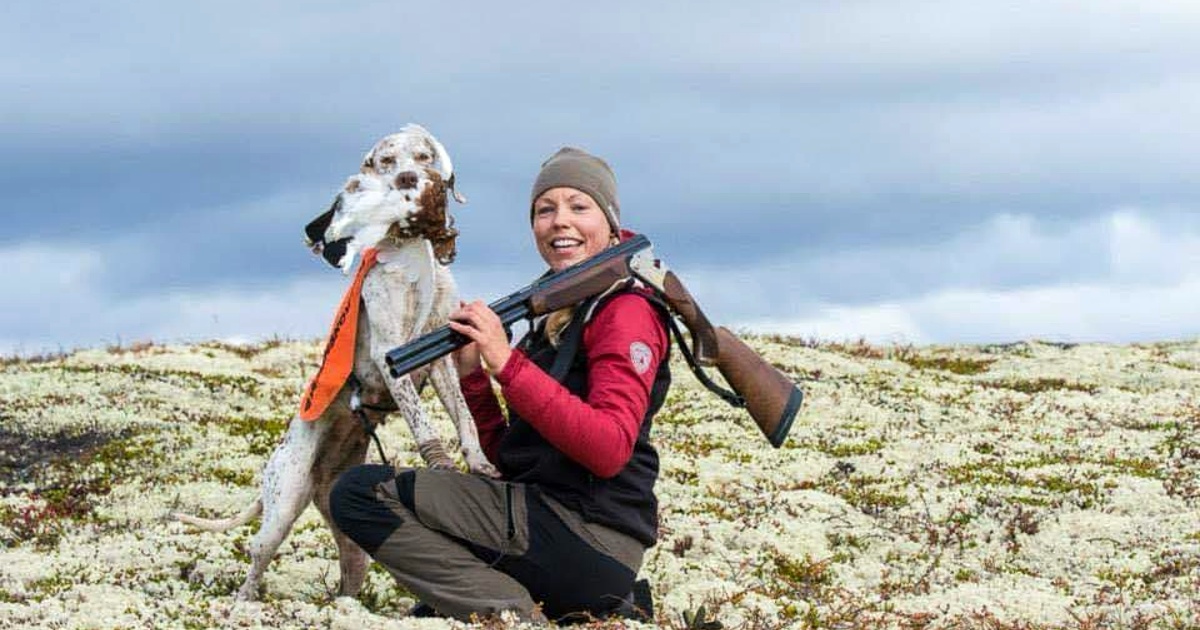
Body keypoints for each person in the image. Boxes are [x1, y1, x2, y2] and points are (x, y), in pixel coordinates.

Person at [329, 147, 671, 623]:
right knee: (429, 608)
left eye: (579, 206)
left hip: (589, 534)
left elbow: (609, 448)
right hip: (549, 523)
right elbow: (512, 461)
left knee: (359, 494)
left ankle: (511, 615)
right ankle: (510, 605)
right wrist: (474, 376)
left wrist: (506, 361)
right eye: (544, 210)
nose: (559, 221)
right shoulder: (554, 312)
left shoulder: (625, 311)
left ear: (611, 222)